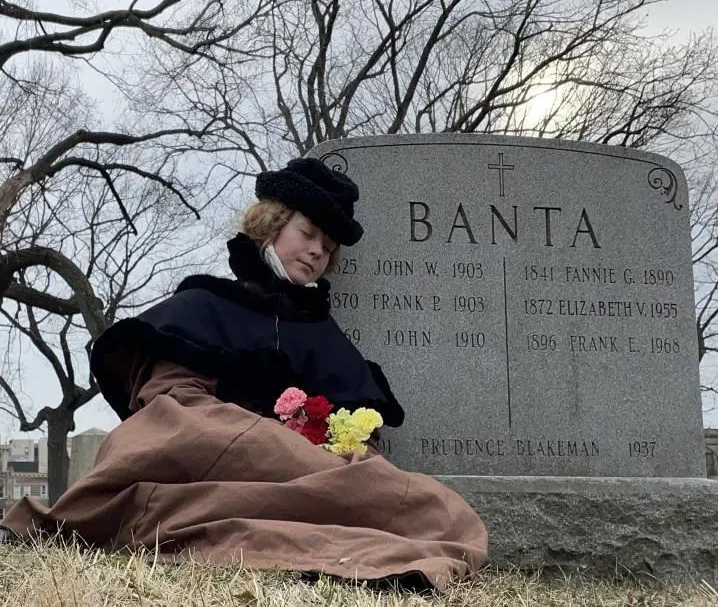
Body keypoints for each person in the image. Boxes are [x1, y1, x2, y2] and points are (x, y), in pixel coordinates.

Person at [0, 157, 487, 590]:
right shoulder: (204, 305)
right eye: (308, 233)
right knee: (174, 428)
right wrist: (260, 438)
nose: (318, 250)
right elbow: (171, 406)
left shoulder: (324, 335)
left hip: (310, 475)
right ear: (272, 225)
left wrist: (326, 445)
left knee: (442, 512)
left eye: (329, 244)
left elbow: (356, 433)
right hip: (206, 457)